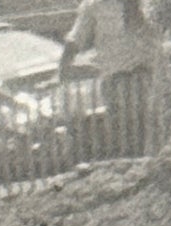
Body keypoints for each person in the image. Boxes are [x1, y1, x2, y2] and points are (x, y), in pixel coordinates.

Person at [59, 0, 164, 155]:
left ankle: (150, 165)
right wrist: (63, 67)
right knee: (123, 130)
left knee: (149, 127)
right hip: (115, 76)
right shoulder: (94, 6)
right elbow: (76, 39)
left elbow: (154, 32)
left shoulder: (145, 4)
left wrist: (134, 9)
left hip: (145, 74)